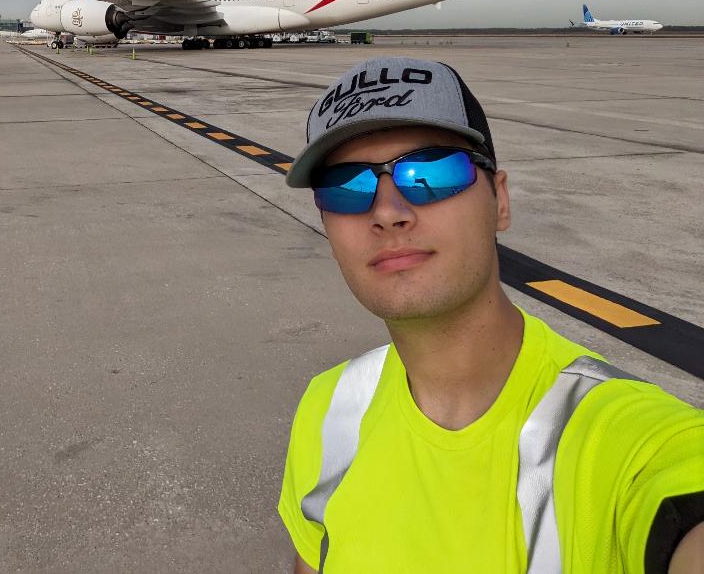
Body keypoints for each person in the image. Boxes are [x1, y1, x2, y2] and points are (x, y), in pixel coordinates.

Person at [278, 57, 703, 574]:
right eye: (345, 187)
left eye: (432, 172)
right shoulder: (327, 410)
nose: (387, 211)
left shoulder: (632, 443)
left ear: (499, 201)